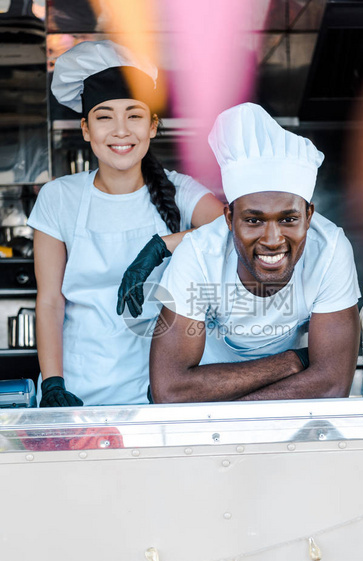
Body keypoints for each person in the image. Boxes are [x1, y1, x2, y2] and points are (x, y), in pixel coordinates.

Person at [28, 40, 223, 407]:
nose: (121, 130)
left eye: (134, 115)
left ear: (152, 126)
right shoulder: (58, 198)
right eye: (104, 117)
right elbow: (50, 300)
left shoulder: (180, 190)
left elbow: (237, 230)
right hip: (78, 383)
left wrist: (162, 246)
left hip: (160, 386)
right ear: (86, 129)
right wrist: (54, 383)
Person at [150, 102, 361, 403]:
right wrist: (292, 362)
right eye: (253, 220)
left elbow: (331, 384)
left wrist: (223, 404)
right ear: (228, 219)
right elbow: (170, 391)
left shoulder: (328, 251)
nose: (273, 240)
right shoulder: (198, 256)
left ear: (309, 216)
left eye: (289, 219)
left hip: (227, 410)